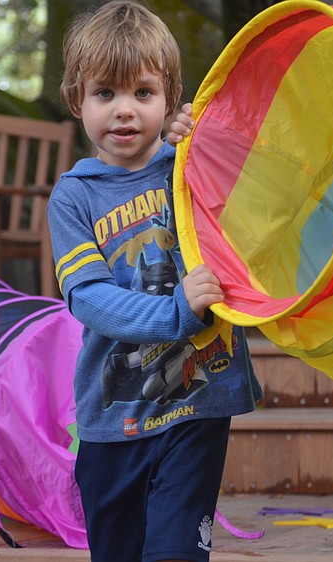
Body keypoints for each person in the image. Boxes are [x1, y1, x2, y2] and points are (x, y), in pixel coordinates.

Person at [47, 2, 263, 561]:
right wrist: (175, 313)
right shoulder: (75, 196)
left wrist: (209, 139)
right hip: (113, 418)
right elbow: (88, 298)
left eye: (143, 94)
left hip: (198, 402)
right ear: (76, 99)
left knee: (175, 553)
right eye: (105, 94)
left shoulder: (189, 166)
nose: (124, 111)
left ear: (169, 97)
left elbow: (259, 199)